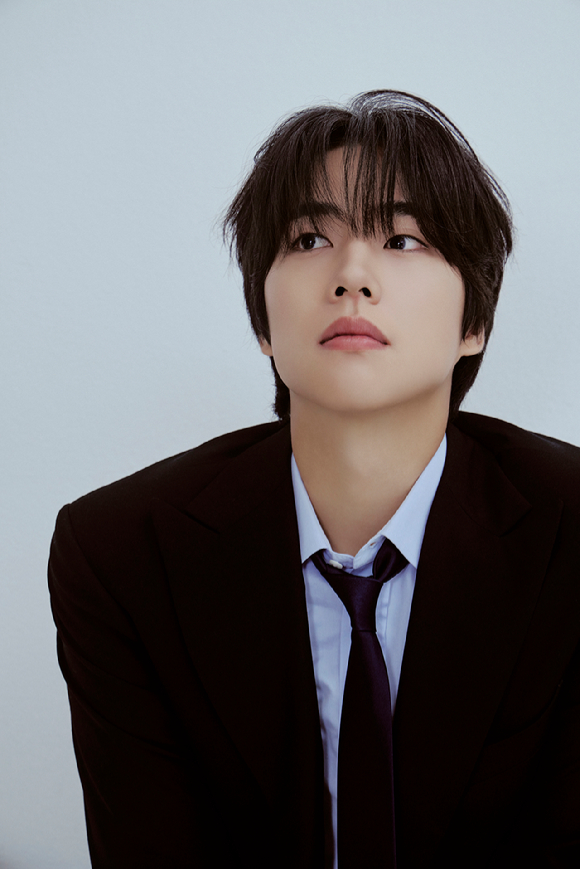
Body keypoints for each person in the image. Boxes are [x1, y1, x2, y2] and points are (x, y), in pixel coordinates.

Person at [48, 90, 580, 868]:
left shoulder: (570, 530)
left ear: (475, 321)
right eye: (308, 238)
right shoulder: (122, 553)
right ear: (263, 320)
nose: (351, 274)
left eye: (402, 238)